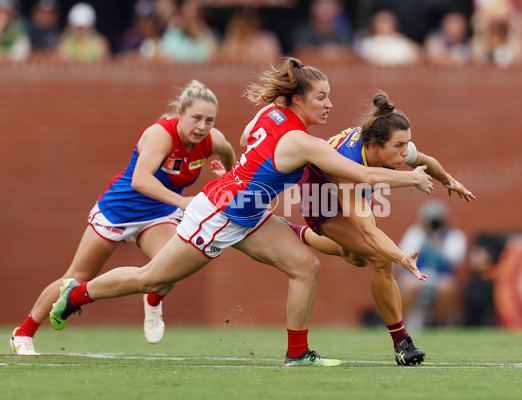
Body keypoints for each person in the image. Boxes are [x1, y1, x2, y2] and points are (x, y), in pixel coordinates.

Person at [49, 57, 435, 367]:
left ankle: (297, 354)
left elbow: (247, 136)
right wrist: (412, 180)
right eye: (321, 97)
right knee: (152, 280)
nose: (329, 104)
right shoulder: (302, 141)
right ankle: (77, 295)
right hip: (221, 214)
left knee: (306, 267)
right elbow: (364, 173)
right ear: (298, 99)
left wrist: (244, 173)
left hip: (247, 210)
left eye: (329, 96)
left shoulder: (272, 113)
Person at [9, 80, 236, 355]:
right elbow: (140, 180)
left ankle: (153, 300)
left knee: (174, 264)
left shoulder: (213, 140)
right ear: (179, 114)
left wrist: (227, 174)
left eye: (209, 120)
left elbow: (229, 156)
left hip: (158, 214)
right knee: (77, 276)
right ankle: (23, 333)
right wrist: (182, 202)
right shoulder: (160, 135)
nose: (202, 126)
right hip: (119, 210)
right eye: (196, 118)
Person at [291, 91, 474, 365]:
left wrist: (449, 181)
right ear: (376, 147)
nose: (406, 151)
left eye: (407, 143)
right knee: (379, 259)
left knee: (355, 256)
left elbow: (426, 161)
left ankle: (299, 234)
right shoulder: (348, 164)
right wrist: (400, 257)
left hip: (359, 188)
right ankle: (402, 342)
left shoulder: (387, 141)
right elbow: (366, 230)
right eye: (400, 146)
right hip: (323, 202)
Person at [396, 199, 467, 330]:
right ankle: (402, 325)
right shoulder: (415, 233)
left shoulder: (453, 236)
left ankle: (444, 325)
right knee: (409, 286)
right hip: (417, 274)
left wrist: (439, 242)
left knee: (447, 287)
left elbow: (456, 259)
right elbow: (402, 255)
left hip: (441, 276)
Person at [463, 234, 506, 327]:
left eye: (478, 253)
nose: (473, 258)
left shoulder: (499, 282)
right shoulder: (473, 284)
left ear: (490, 256)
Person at [158, 0, 218, 64]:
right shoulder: (173, 35)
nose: (191, 18)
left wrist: (202, 32)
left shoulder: (208, 36)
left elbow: (215, 58)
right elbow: (166, 61)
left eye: (195, 15)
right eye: (187, 12)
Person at [355, 9, 422, 66]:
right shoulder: (368, 42)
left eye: (387, 21)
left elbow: (416, 58)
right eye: (382, 21)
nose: (384, 25)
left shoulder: (402, 41)